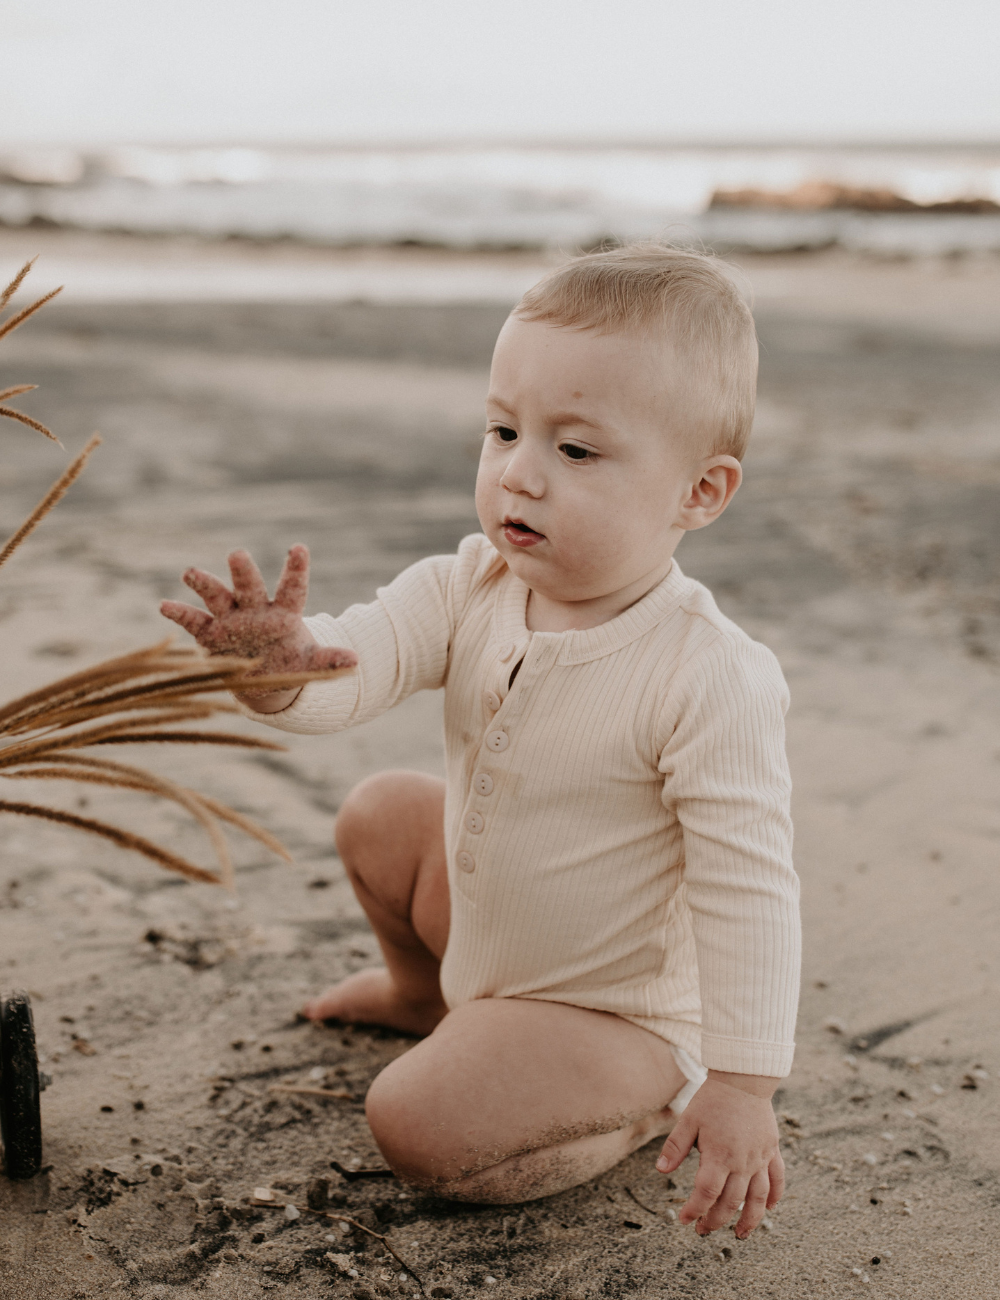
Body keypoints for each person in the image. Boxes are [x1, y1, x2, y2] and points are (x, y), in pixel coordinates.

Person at [161, 245, 800, 1238]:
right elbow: (357, 660)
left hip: (611, 1011)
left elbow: (748, 886)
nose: (518, 473)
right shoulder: (471, 584)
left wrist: (744, 1081)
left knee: (415, 1123)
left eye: (575, 450)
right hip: (490, 943)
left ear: (700, 493)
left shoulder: (707, 671)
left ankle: (640, 1103)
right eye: (503, 429)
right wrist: (285, 662)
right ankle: (427, 994)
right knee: (384, 811)